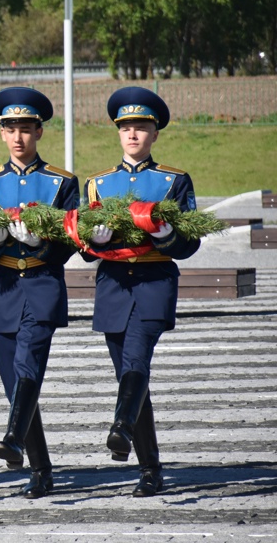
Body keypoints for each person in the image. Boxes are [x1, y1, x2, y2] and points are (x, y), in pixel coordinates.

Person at [83, 86, 200, 497]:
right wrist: (94, 242)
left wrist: (167, 233)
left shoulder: (173, 181)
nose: (133, 134)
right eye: (126, 127)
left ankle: (121, 427)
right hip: (113, 285)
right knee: (130, 376)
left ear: (155, 133)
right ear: (118, 132)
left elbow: (190, 244)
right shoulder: (98, 184)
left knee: (136, 359)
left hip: (153, 282)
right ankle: (149, 466)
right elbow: (85, 249)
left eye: (142, 127)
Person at [0, 87, 79, 498]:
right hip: (3, 289)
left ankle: (15, 441)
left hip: (42, 283)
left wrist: (43, 245)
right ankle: (42, 467)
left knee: (28, 367)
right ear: (1, 133)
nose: (17, 137)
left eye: (25, 128)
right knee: (14, 384)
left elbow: (72, 240)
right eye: (9, 129)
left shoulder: (61, 182)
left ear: (39, 131)